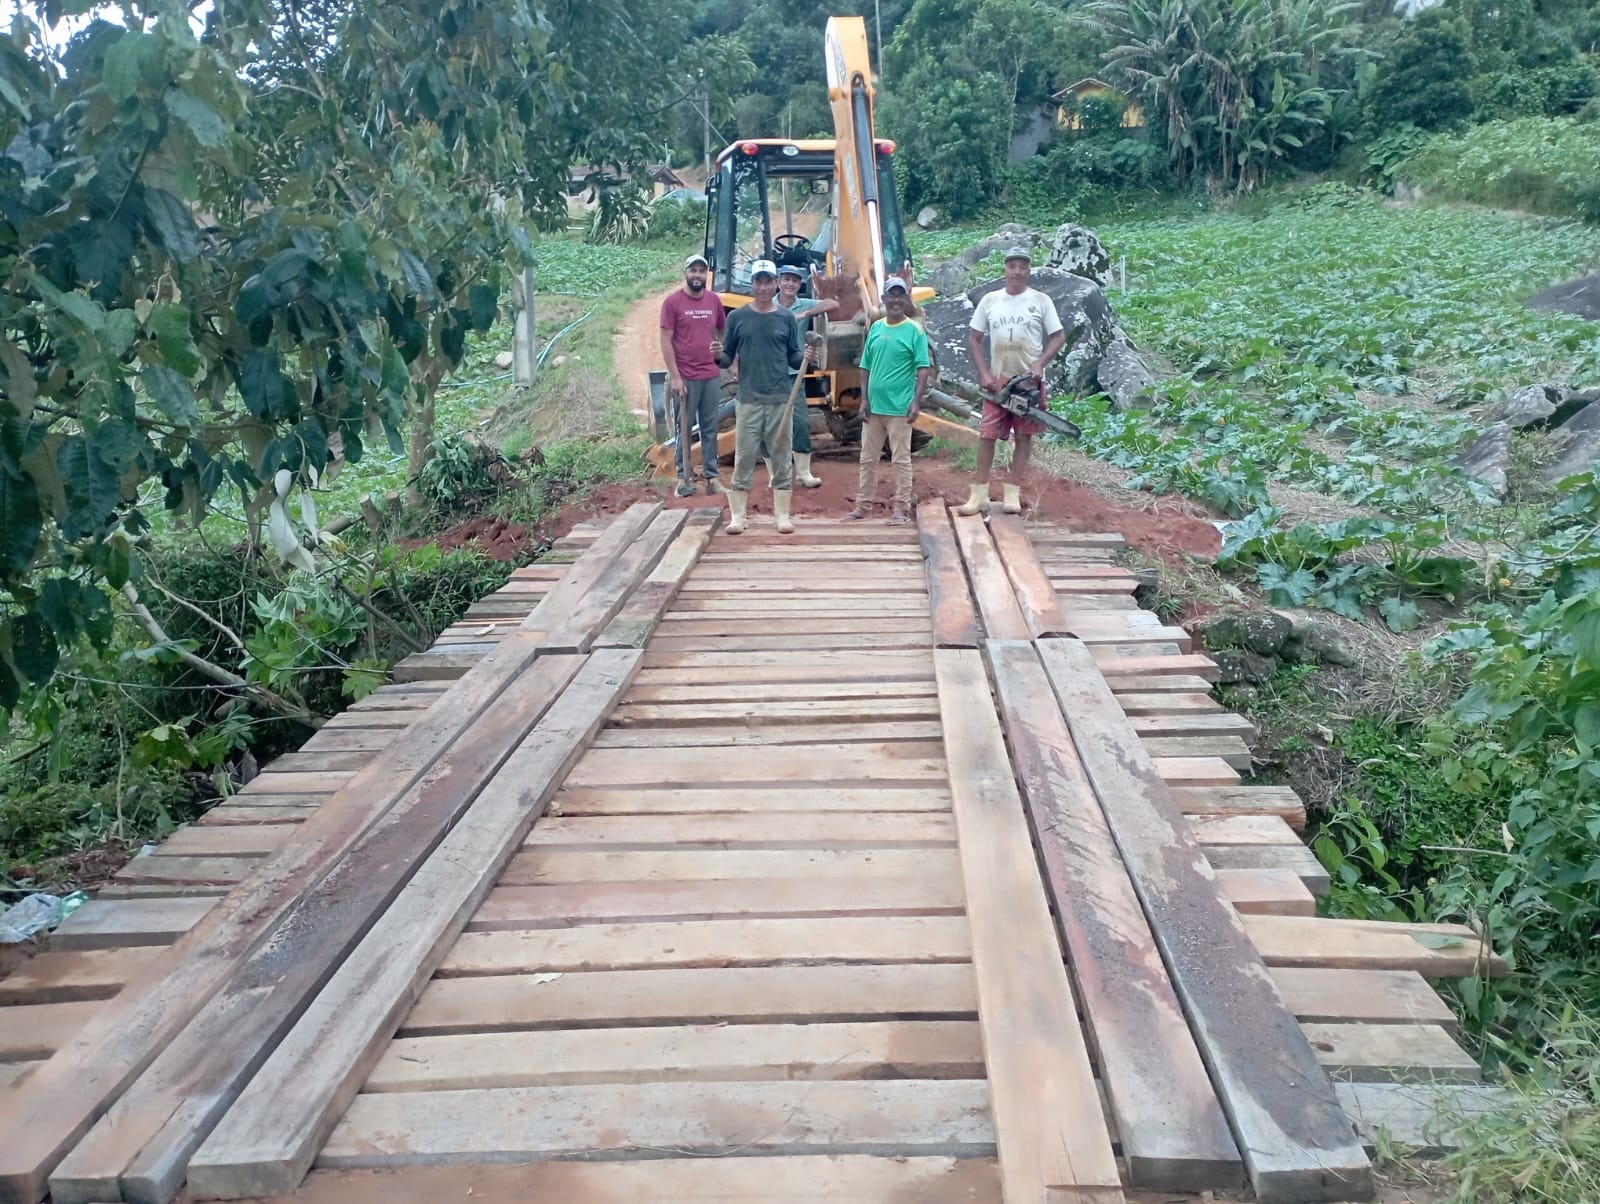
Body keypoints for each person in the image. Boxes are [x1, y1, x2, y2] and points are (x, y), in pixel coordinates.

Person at [958, 245, 1065, 516]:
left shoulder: (1040, 300)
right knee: (987, 435)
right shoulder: (990, 300)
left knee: (1025, 436)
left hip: (1028, 381)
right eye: (1012, 266)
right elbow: (974, 337)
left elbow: (1058, 336)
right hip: (998, 381)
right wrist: (983, 373)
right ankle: (979, 493)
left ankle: (1012, 492)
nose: (1017, 271)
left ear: (1028, 270)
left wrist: (1040, 363)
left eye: (1022, 266)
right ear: (1005, 269)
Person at [714, 260, 816, 535]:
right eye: (758, 281)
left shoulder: (784, 317)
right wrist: (715, 356)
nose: (762, 287)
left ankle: (782, 516)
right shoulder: (737, 318)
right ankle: (738, 517)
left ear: (774, 284)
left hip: (780, 399)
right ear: (753, 284)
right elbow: (726, 359)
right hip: (748, 400)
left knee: (782, 457)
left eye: (767, 282)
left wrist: (806, 356)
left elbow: (792, 355)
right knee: (745, 457)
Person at [847, 278, 929, 525]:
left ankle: (901, 509)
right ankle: (863, 506)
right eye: (891, 295)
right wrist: (864, 399)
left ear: (906, 300)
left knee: (900, 459)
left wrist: (916, 402)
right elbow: (865, 366)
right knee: (867, 458)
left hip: (899, 409)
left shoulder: (915, 330)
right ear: (883, 299)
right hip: (874, 408)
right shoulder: (876, 328)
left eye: (900, 296)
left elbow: (923, 368)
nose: (895, 300)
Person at [764, 264, 841, 489]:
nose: (790, 284)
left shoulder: (803, 303)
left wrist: (805, 314)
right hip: (769, 375)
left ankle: (803, 473)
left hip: (794, 375)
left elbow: (833, 303)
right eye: (786, 279)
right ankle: (774, 475)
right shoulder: (766, 305)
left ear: (800, 285)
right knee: (769, 426)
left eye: (795, 280)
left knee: (800, 422)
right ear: (777, 282)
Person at [659, 253, 726, 497]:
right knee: (684, 428)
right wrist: (675, 377)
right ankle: (683, 477)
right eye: (693, 270)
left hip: (710, 374)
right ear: (685, 273)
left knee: (710, 427)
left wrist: (720, 352)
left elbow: (721, 329)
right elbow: (665, 341)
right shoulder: (672, 303)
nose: (697, 275)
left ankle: (711, 476)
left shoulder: (713, 300)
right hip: (685, 376)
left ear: (706, 274)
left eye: (701, 271)